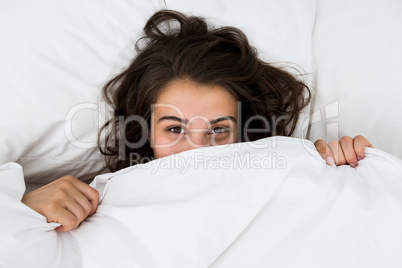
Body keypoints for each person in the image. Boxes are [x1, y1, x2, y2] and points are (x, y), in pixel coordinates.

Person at [21, 10, 373, 232]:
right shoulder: (96, 202)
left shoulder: (286, 178)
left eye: (219, 130)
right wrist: (25, 211)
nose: (198, 151)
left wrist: (346, 169)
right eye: (175, 129)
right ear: (143, 133)